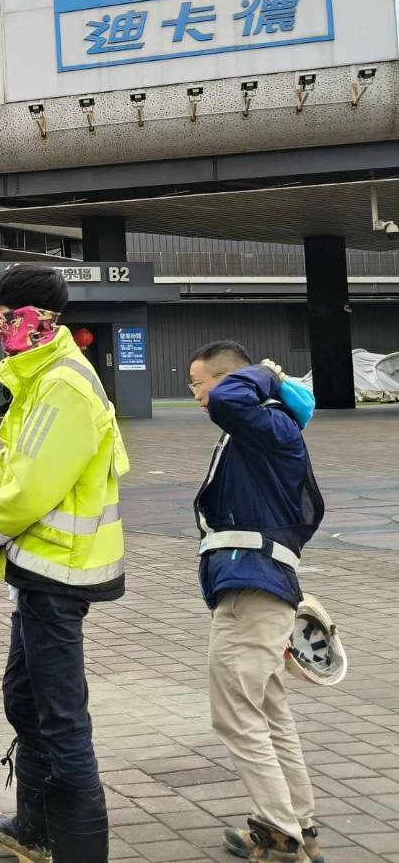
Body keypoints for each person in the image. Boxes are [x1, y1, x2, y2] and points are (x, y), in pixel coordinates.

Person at [0, 264, 127, 863]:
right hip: (42, 572)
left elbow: (35, 483)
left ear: (39, 320)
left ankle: (75, 847)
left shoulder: (63, 384)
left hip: (58, 575)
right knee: (26, 697)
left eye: (4, 315)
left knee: (60, 717)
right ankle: (35, 827)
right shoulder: (42, 378)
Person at [188, 342, 324, 863]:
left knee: (236, 715)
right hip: (258, 587)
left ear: (229, 380)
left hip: (254, 591)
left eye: (199, 384)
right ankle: (298, 823)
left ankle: (281, 832)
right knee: (268, 710)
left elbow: (229, 402)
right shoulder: (266, 430)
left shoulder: (263, 419)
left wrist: (261, 375)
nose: (199, 398)